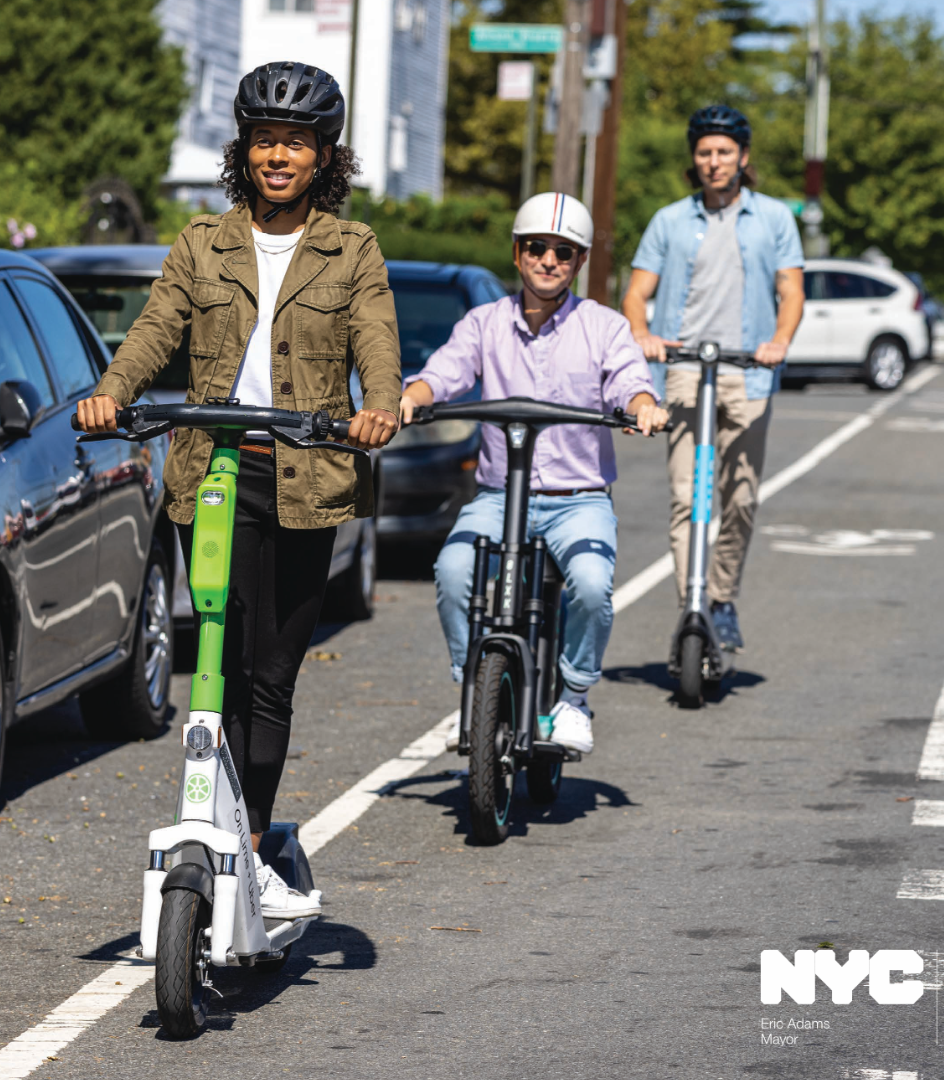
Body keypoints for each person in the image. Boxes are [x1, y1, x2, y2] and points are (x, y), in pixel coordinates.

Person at [75, 61, 401, 917]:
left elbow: (375, 334)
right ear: (244, 149)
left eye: (295, 142)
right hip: (211, 470)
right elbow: (155, 330)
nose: (278, 155)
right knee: (216, 658)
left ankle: (250, 844)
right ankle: (206, 822)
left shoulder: (352, 247)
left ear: (324, 156)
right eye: (265, 140)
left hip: (305, 473)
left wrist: (381, 405)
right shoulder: (201, 244)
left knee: (270, 674)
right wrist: (114, 389)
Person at [400, 192, 667, 754]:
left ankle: (573, 697)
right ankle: (473, 691)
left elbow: (627, 380)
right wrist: (414, 397)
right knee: (452, 572)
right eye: (538, 248)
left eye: (564, 252)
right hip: (499, 495)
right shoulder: (483, 322)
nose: (549, 260)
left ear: (579, 261)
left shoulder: (604, 326)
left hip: (579, 497)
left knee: (592, 588)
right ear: (518, 253)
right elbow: (445, 372)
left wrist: (642, 403)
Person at [622, 105, 804, 652]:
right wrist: (642, 335)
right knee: (688, 497)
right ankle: (693, 604)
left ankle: (722, 597)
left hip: (747, 376)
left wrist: (779, 343)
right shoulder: (670, 221)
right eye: (705, 152)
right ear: (694, 160)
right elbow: (636, 294)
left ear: (743, 158)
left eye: (725, 152)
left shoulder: (774, 219)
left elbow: (791, 291)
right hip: (682, 374)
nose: (714, 161)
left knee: (741, 498)